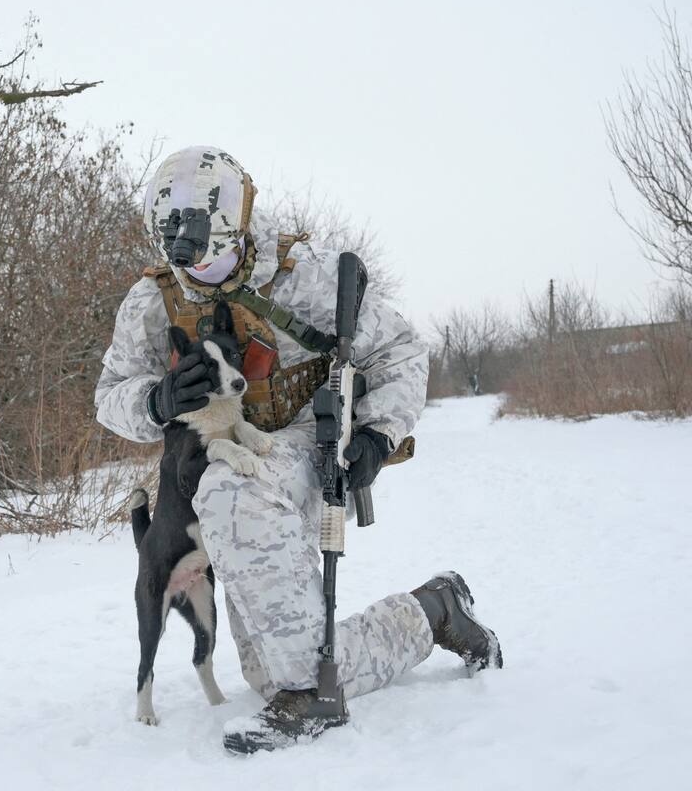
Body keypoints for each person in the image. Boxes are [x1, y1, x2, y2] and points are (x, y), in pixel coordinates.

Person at [94, 145, 502, 752]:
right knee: (273, 674)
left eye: (203, 236)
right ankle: (432, 612)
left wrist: (377, 434)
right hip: (231, 452)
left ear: (234, 222)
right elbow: (110, 396)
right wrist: (156, 401)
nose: (190, 256)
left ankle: (312, 693)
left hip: (306, 446)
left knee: (229, 487)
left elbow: (401, 352)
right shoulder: (154, 301)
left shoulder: (302, 275)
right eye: (175, 238)